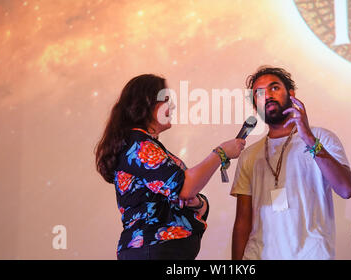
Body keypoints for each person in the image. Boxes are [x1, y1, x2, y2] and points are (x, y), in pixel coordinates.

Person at [95, 74, 245, 260]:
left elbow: (184, 193)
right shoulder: (138, 146)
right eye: (166, 100)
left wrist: (197, 203)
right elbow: (184, 187)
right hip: (152, 251)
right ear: (146, 104)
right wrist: (220, 153)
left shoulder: (146, 146)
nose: (172, 106)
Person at [231, 66, 351, 260]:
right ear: (255, 107)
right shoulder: (249, 156)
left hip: (311, 254)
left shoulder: (322, 138)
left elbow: (346, 189)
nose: (268, 96)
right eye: (260, 93)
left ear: (291, 94)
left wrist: (308, 139)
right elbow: (242, 222)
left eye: (274, 88)